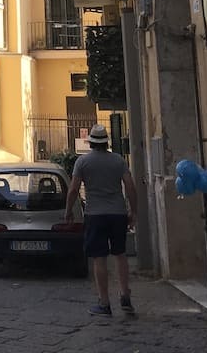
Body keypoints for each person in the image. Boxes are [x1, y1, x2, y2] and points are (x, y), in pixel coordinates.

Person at [65, 123, 138, 316]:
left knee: (99, 258)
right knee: (121, 255)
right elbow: (130, 187)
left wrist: (68, 211)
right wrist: (133, 212)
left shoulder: (82, 163)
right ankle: (125, 295)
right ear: (107, 142)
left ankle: (104, 302)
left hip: (95, 214)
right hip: (117, 213)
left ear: (90, 142)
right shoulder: (119, 161)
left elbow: (73, 189)